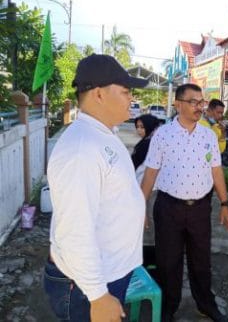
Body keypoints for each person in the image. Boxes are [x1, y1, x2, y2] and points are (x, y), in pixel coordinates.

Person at [44, 54, 148, 322]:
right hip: (86, 286)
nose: (130, 98)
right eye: (125, 91)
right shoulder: (82, 148)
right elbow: (74, 231)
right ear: (99, 94)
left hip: (107, 274)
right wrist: (98, 295)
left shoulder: (102, 134)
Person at [141, 83, 228, 322]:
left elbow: (217, 171)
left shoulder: (208, 135)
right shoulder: (163, 135)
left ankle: (205, 304)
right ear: (178, 104)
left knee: (201, 260)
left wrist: (225, 204)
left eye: (201, 102)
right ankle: (169, 306)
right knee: (168, 261)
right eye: (193, 102)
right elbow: (150, 173)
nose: (199, 107)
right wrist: (141, 208)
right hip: (168, 208)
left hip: (200, 209)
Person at [131, 114, 161, 183]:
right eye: (137, 127)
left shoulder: (146, 144)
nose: (138, 130)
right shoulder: (153, 141)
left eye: (142, 127)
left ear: (149, 126)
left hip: (140, 182)